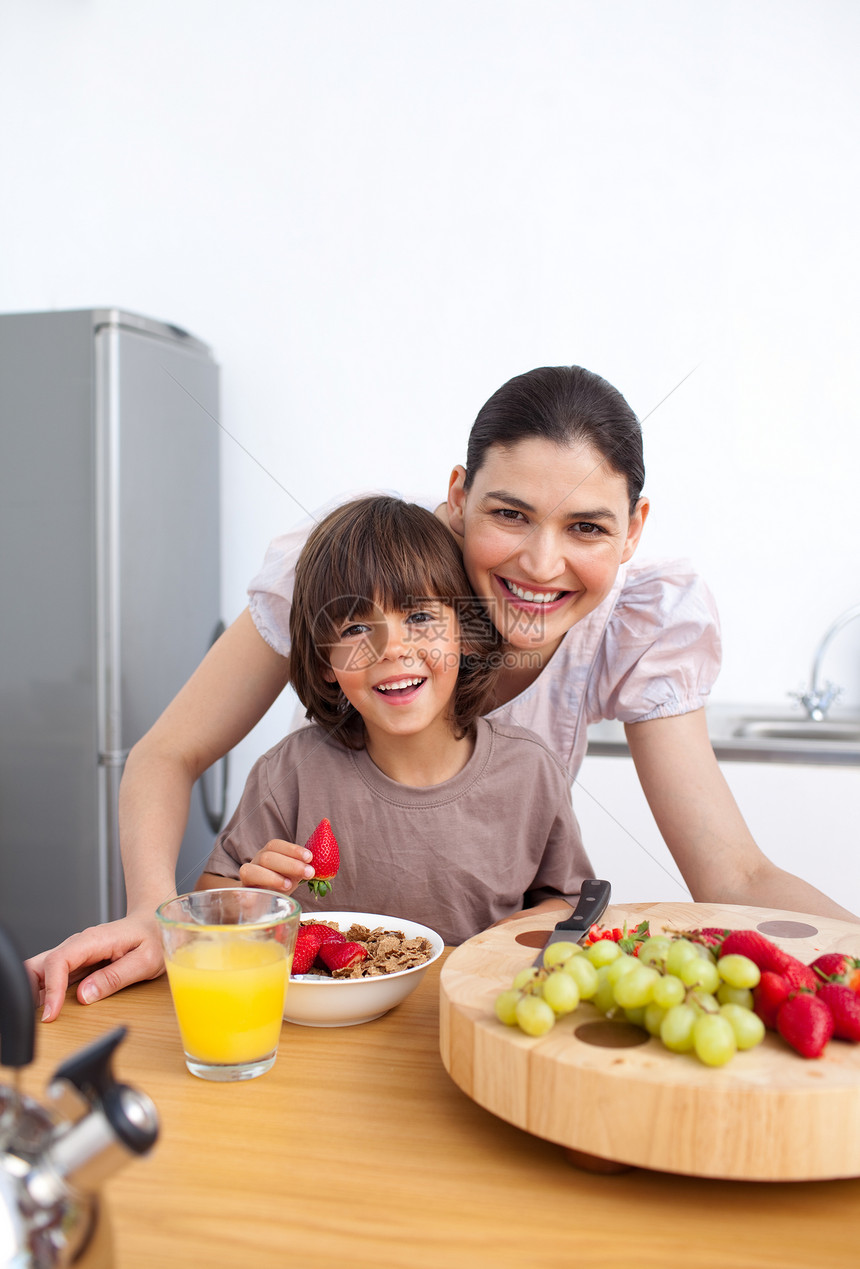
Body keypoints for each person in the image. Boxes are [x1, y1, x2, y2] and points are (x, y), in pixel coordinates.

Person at [29, 364, 857, 1021]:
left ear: (634, 529)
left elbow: (736, 874)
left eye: (587, 527)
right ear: (459, 495)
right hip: (324, 1001)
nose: (540, 563)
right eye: (509, 513)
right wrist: (152, 912)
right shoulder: (348, 571)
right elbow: (167, 754)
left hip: (476, 1003)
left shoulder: (641, 623)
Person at [194, 495, 594, 945]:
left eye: (420, 617)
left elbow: (569, 901)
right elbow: (209, 898)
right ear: (326, 662)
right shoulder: (289, 772)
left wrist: (510, 934)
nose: (391, 648)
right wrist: (252, 898)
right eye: (356, 629)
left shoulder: (530, 769)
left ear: (465, 635)